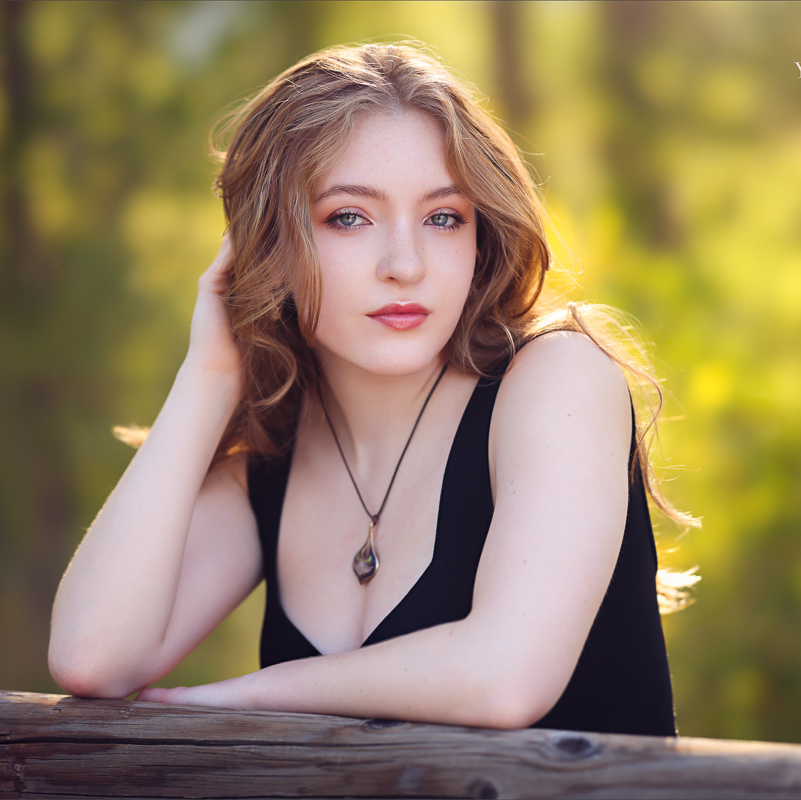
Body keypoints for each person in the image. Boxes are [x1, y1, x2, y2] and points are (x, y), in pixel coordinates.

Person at [48, 42, 696, 736]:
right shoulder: (271, 468)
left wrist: (249, 695)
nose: (404, 264)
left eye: (443, 217)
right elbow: (92, 657)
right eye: (349, 217)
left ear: (480, 236)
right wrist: (207, 376)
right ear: (269, 246)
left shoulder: (557, 379)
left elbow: (506, 677)